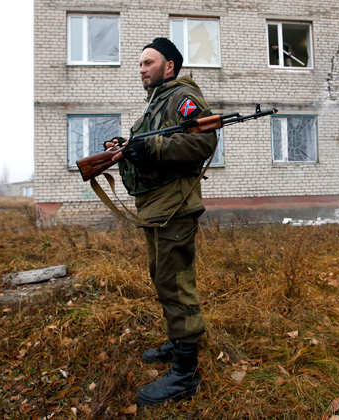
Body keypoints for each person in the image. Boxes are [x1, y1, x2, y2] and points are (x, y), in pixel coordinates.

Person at [106, 38, 217, 405]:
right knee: (163, 277)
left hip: (174, 206)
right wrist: (127, 146)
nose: (141, 69)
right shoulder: (156, 104)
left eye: (148, 63)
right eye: (140, 64)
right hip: (156, 207)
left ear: (169, 66)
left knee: (176, 282)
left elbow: (203, 142)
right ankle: (178, 341)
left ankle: (186, 375)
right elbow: (151, 147)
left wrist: (150, 148)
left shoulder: (181, 97)